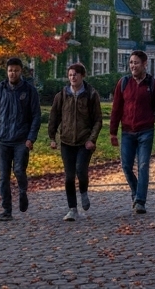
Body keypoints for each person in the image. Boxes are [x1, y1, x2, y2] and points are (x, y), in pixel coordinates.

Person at [110, 50, 155, 214]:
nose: (132, 66)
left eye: (136, 63)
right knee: (126, 166)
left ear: (144, 64)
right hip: (127, 131)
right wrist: (113, 132)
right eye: (130, 63)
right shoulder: (123, 83)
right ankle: (136, 193)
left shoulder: (153, 85)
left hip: (146, 131)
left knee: (143, 166)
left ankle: (140, 201)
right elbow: (116, 109)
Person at [0, 57, 41, 221]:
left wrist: (31, 138)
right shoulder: (0, 90)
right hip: (3, 139)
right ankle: (6, 210)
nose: (13, 73)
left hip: (21, 140)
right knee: (3, 177)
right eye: (10, 70)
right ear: (6, 71)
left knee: (18, 170)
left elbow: (36, 116)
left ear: (20, 71)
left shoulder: (29, 90)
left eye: (16, 70)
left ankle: (22, 192)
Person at [48, 62, 102, 221]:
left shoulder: (91, 94)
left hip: (84, 142)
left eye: (75, 75)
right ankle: (72, 209)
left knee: (81, 170)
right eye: (70, 75)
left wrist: (92, 139)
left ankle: (84, 192)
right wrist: (52, 137)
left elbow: (98, 120)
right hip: (66, 141)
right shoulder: (62, 95)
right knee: (69, 176)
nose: (72, 78)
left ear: (82, 76)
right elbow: (54, 117)